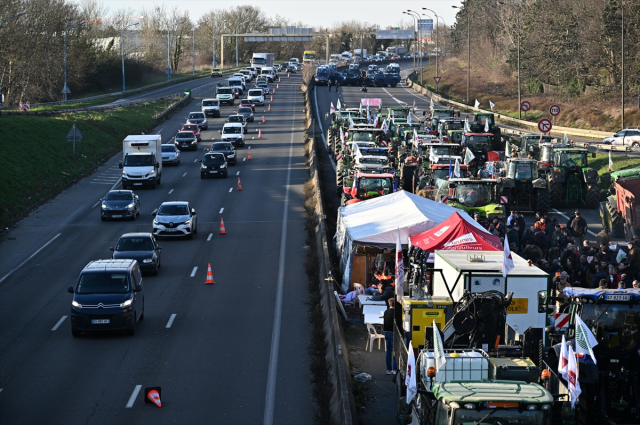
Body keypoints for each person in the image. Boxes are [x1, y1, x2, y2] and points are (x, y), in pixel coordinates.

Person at [383, 298, 398, 375]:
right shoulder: (395, 313)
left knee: (388, 352)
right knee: (395, 352)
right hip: (393, 333)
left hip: (386, 332)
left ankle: (388, 370)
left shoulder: (386, 312)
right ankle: (395, 369)